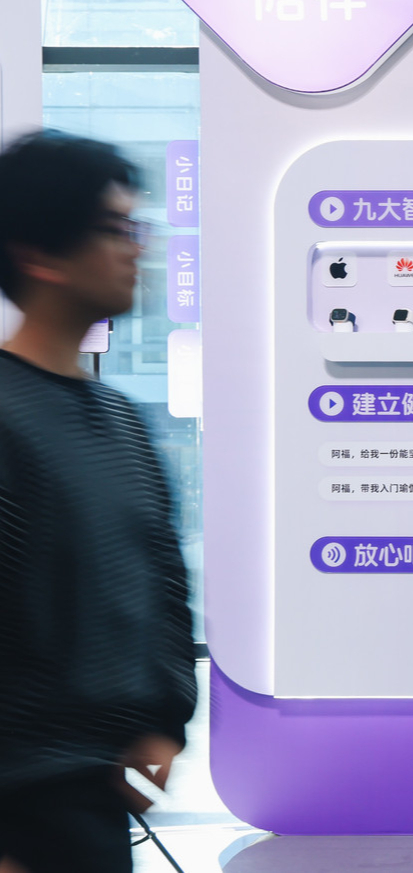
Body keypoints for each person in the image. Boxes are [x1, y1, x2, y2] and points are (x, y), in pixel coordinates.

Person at [0, 132, 196, 873]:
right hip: (20, 812)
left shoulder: (120, 420)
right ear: (40, 256)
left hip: (100, 800)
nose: (136, 248)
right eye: (115, 229)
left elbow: (163, 583)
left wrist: (165, 724)